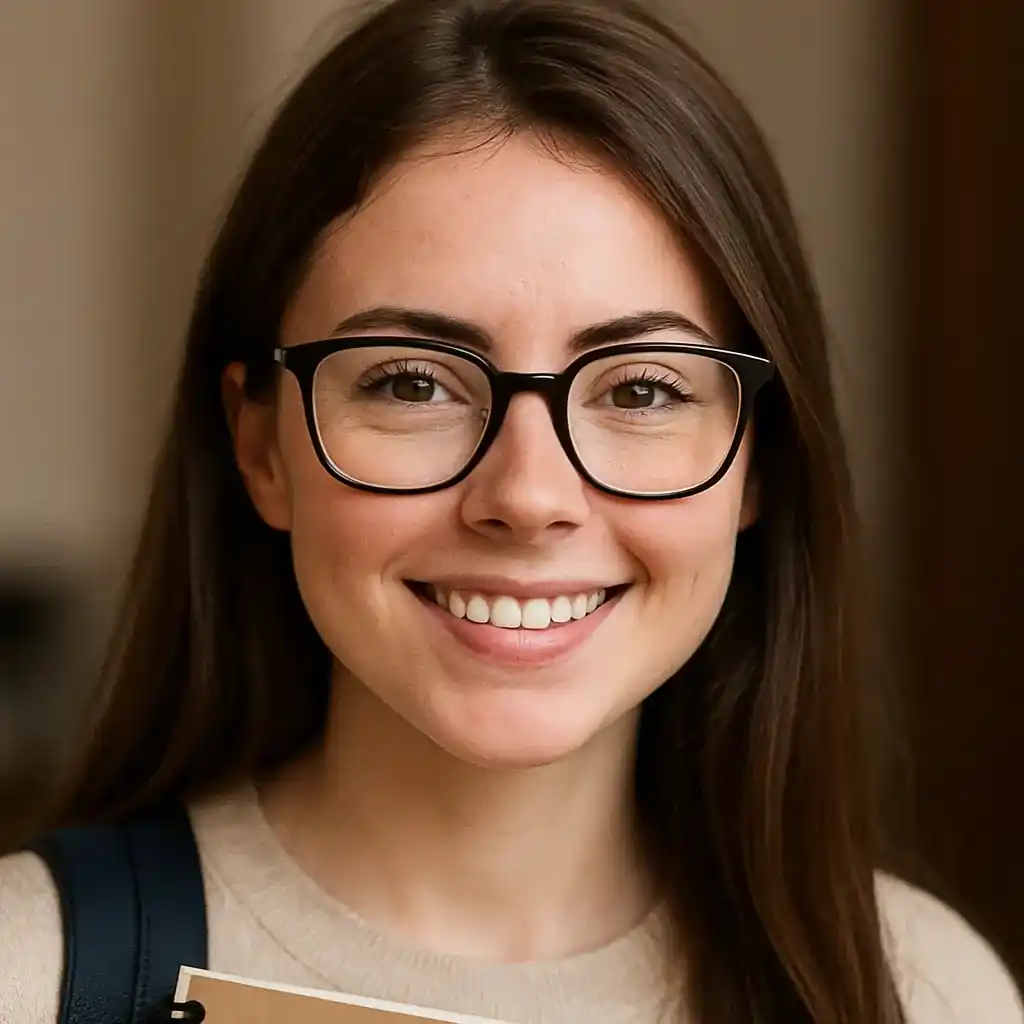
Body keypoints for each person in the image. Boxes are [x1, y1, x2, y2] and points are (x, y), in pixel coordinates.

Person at [1, 0, 1021, 1021]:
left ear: (757, 460)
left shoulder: (924, 996)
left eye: (641, 389)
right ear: (262, 446)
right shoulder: (29, 977)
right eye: (412, 382)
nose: (529, 497)